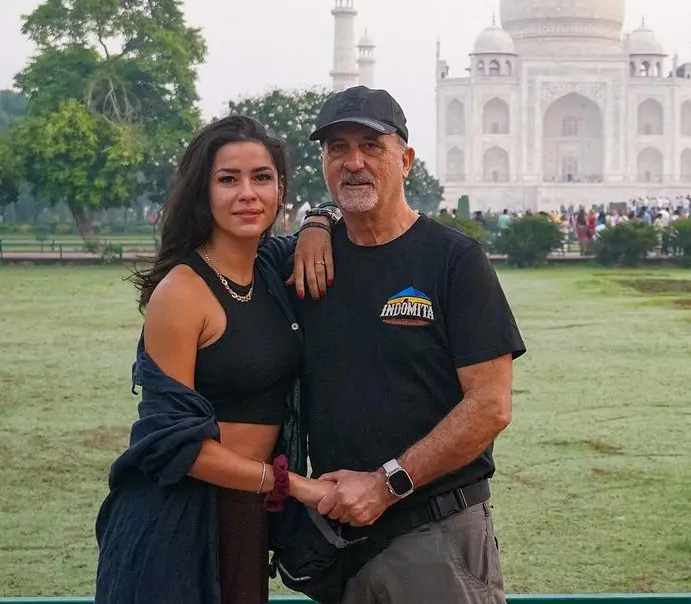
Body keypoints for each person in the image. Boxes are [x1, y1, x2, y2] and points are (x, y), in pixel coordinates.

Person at [264, 86, 526, 603]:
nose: (353, 162)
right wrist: (318, 219)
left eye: (371, 146)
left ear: (405, 160)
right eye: (337, 148)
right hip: (343, 536)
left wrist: (386, 485)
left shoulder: (452, 261)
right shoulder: (307, 263)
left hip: (435, 531)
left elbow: (490, 406)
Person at [95, 116, 335, 604]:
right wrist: (292, 485)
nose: (247, 194)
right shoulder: (182, 292)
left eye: (261, 177)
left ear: (280, 189)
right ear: (203, 191)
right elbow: (171, 444)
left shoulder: (268, 267)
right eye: (228, 179)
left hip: (246, 514)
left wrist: (318, 221)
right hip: (177, 517)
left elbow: (333, 225)